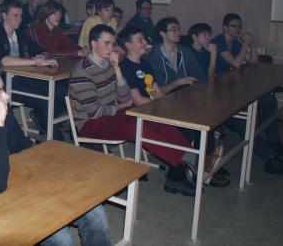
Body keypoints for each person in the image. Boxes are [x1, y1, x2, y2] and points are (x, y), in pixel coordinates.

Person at [0, 57, 111, 246]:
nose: (6, 98)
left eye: (3, 90)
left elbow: (24, 150)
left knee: (96, 212)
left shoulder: (3, 115)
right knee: (62, 238)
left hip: (24, 186)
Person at [70, 24, 196, 196]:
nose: (111, 48)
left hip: (111, 114)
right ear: (93, 43)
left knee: (149, 117)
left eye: (113, 43)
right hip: (90, 123)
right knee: (137, 128)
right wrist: (118, 107)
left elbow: (124, 98)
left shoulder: (110, 64)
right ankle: (192, 159)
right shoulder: (82, 71)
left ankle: (188, 157)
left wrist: (117, 69)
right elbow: (94, 112)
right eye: (106, 43)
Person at [119, 26, 229, 187]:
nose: (144, 43)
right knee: (183, 127)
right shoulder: (125, 67)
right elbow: (137, 100)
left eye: (143, 39)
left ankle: (201, 165)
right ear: (128, 45)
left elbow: (154, 90)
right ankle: (193, 169)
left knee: (197, 118)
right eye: (139, 40)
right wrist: (164, 106)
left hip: (153, 106)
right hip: (141, 111)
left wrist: (169, 104)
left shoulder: (145, 64)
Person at [212, 13, 283, 175]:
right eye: (234, 26)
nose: (238, 29)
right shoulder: (219, 42)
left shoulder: (235, 42)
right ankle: (270, 159)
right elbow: (236, 64)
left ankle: (274, 141)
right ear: (225, 27)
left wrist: (252, 44)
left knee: (269, 100)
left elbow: (253, 62)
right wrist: (245, 42)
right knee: (243, 122)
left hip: (233, 88)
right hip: (219, 93)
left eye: (240, 26)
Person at [0, 1, 64, 139]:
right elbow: (3, 61)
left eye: (20, 16)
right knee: (46, 99)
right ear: (4, 15)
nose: (19, 19)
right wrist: (34, 61)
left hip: (23, 77)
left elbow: (40, 50)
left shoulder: (19, 34)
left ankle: (41, 119)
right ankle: (54, 138)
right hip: (4, 82)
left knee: (62, 92)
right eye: (15, 15)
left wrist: (41, 56)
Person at [147, 17, 205, 95]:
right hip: (165, 99)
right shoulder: (153, 58)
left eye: (179, 29)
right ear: (163, 33)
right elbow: (155, 92)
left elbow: (200, 76)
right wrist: (177, 83)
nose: (178, 32)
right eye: (173, 30)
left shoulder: (184, 51)